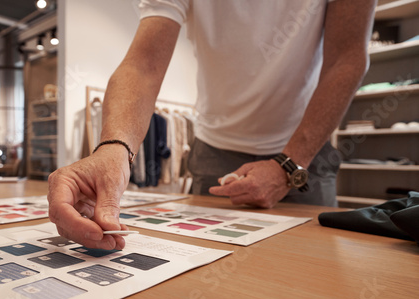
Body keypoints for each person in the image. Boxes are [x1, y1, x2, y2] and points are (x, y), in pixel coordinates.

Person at [47, 0, 377, 250]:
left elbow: (346, 59)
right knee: (210, 276)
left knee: (308, 276)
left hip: (305, 153)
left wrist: (290, 164)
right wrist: (114, 147)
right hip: (214, 155)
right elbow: (143, 65)